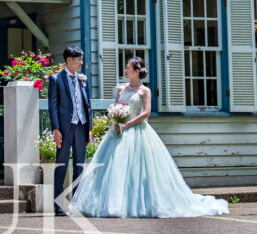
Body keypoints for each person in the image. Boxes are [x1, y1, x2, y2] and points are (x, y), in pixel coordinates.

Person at [68, 56, 229, 218]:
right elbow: (115, 107)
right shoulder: (121, 89)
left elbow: (146, 113)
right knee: (113, 168)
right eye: (125, 68)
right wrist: (116, 121)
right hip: (117, 132)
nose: (125, 71)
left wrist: (128, 124)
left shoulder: (145, 91)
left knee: (138, 169)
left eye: (128, 68)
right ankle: (113, 203)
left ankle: (141, 205)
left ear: (137, 71)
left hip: (137, 130)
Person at [47, 46, 91, 216]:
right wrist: (56, 129)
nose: (81, 62)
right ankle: (58, 205)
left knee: (79, 166)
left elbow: (88, 105)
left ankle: (76, 203)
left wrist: (89, 128)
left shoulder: (83, 79)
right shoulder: (56, 79)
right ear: (69, 60)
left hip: (81, 126)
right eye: (79, 59)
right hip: (64, 128)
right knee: (61, 165)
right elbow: (53, 106)